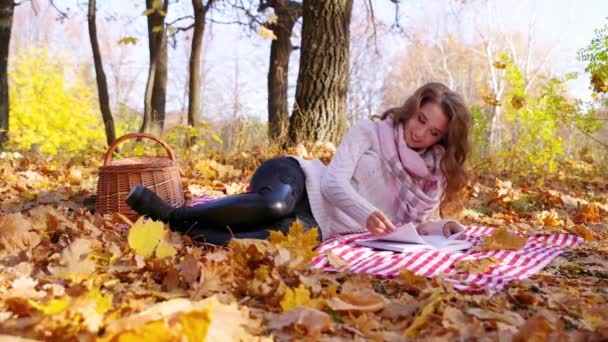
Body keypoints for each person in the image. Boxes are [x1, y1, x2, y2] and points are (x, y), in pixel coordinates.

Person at [125, 82, 472, 246]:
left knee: (254, 240)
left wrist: (446, 226)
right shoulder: (371, 131)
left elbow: (419, 225)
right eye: (421, 118)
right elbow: (332, 184)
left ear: (441, 139)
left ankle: (176, 228)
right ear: (413, 108)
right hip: (300, 179)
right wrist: (367, 213)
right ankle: (170, 213)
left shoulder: (431, 179)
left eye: (433, 131)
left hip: (323, 224)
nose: (419, 132)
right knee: (273, 205)